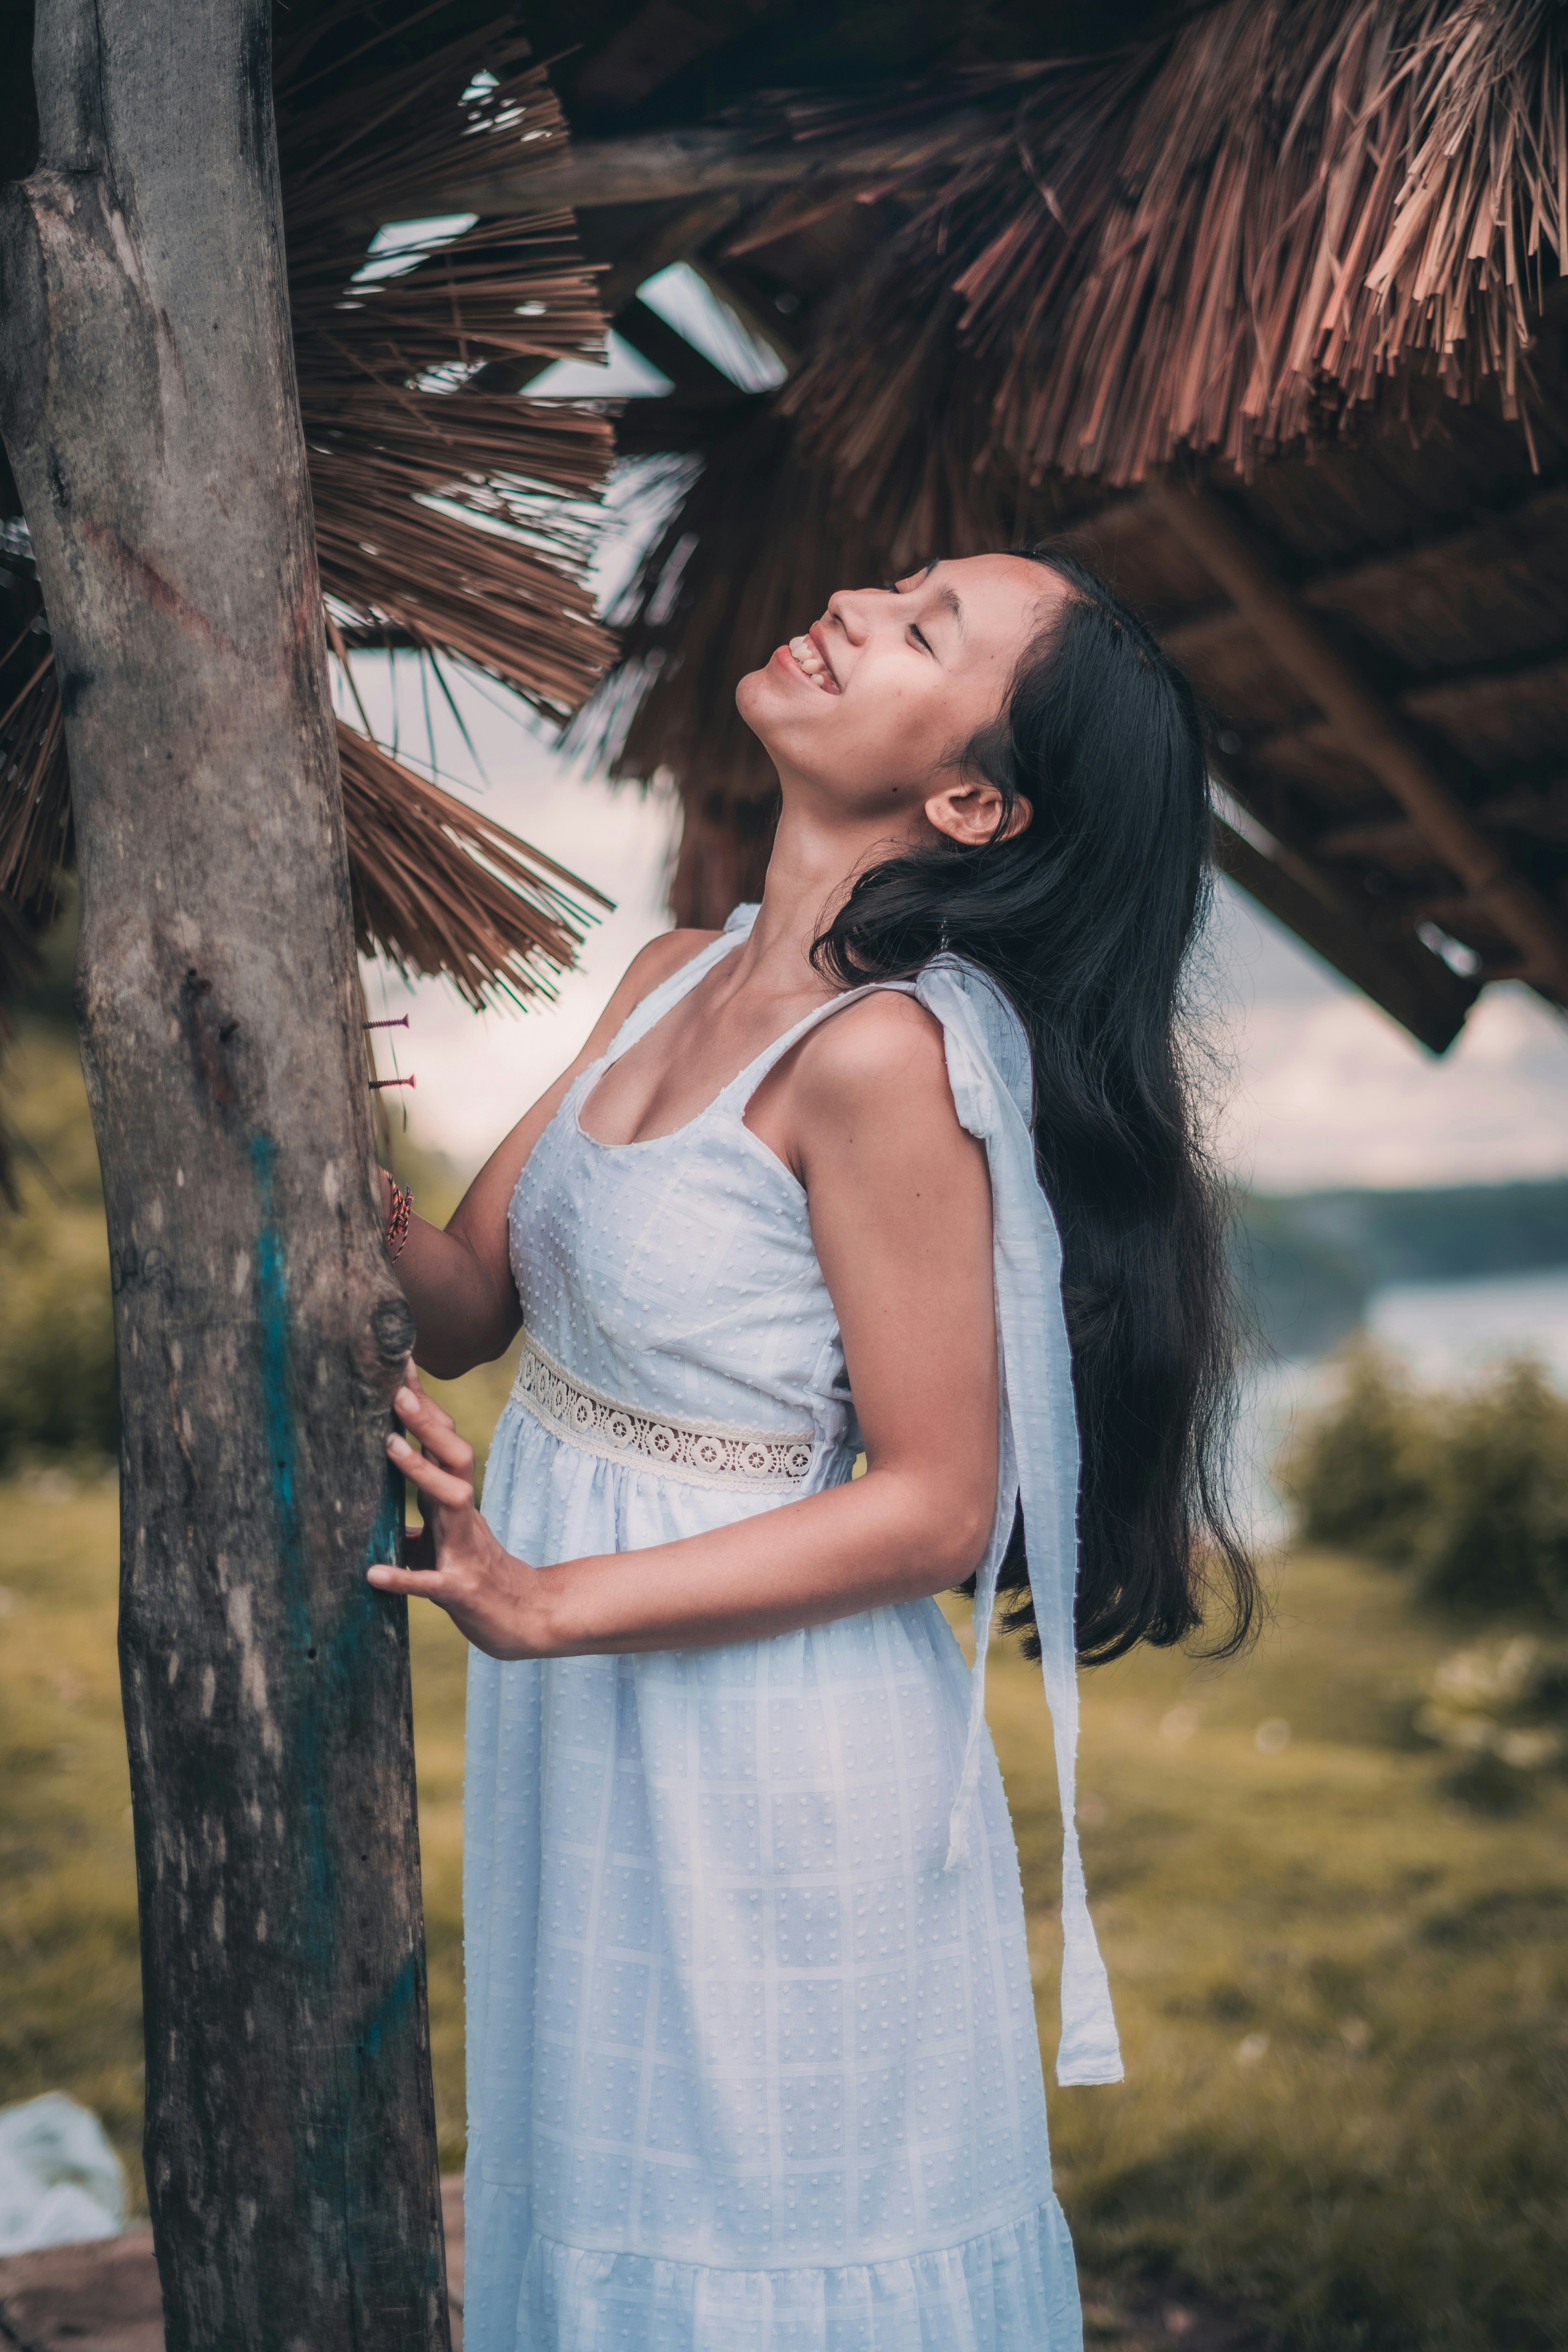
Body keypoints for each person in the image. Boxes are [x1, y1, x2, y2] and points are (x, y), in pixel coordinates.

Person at [367, 550, 1254, 2352]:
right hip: (603, 1713)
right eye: (899, 583)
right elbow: (463, 1297)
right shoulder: (668, 968)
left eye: (927, 628)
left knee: (758, 2245)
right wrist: (289, 1076)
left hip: (769, 1752)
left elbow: (940, 1501)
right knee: (605, 2193)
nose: (856, 598)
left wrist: (550, 1598)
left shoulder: (888, 1058)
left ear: (974, 801)